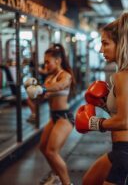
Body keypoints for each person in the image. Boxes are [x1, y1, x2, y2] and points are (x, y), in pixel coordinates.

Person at [75, 12, 128, 185]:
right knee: (89, 181)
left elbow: (124, 122)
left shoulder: (123, 77)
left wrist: (94, 122)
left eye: (105, 43)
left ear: (121, 44)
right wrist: (105, 104)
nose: (101, 49)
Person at [25, 43, 76, 185]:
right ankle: (57, 176)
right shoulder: (49, 78)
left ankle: (67, 183)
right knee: (44, 148)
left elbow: (59, 86)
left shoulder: (65, 75)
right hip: (53, 117)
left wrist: (41, 88)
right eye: (45, 62)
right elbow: (42, 98)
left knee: (52, 152)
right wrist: (32, 90)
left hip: (65, 117)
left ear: (58, 61)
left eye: (48, 62)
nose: (46, 65)